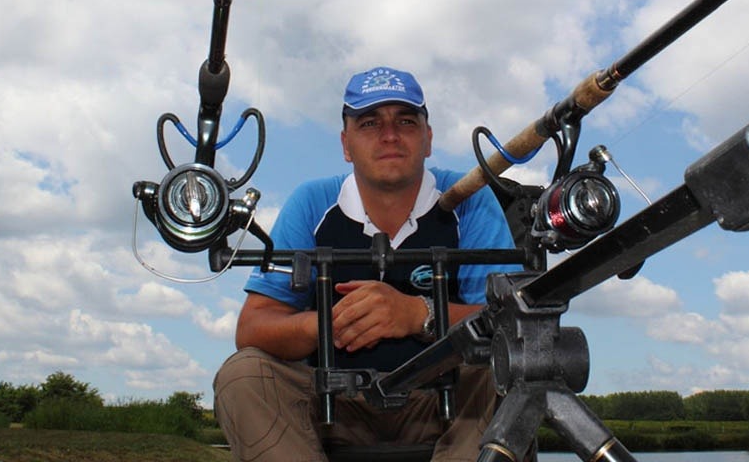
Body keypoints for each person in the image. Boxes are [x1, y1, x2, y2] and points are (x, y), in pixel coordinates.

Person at [214, 66, 520, 462]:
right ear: (346, 144)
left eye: (406, 121)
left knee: (508, 365)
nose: (389, 135)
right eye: (369, 122)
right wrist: (329, 324)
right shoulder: (311, 203)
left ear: (428, 139)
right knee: (243, 376)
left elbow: (515, 324)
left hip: (444, 403)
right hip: (332, 403)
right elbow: (252, 328)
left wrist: (418, 314)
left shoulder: (471, 199)